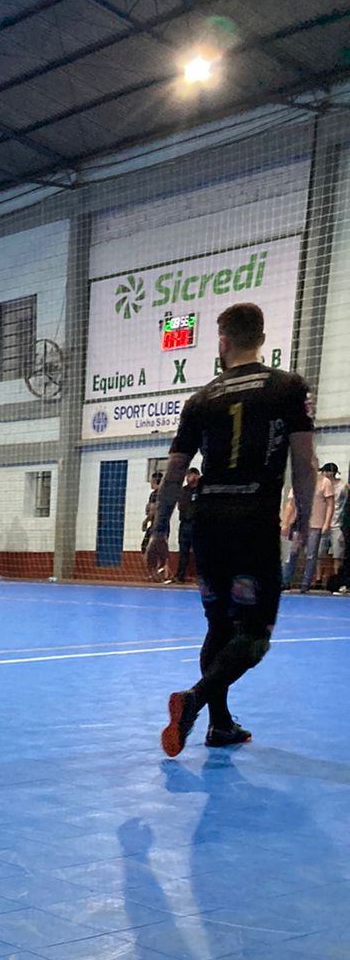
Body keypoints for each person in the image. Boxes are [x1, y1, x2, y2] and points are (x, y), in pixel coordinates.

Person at [147, 301, 318, 755]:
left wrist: (160, 530)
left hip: (208, 525)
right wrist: (303, 519)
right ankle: (195, 699)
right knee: (255, 636)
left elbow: (174, 469)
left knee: (218, 626)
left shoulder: (200, 399)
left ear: (222, 341)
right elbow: (304, 462)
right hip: (253, 523)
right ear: (261, 338)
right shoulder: (288, 388)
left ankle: (220, 724)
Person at [283, 463, 338, 593]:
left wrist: (326, 523)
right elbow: (291, 504)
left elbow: (330, 505)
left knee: (311, 555)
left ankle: (305, 584)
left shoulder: (325, 482)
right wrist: (285, 522)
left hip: (316, 523)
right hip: (299, 523)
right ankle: (285, 581)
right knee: (292, 553)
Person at [169, 468, 200, 583]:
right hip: (184, 524)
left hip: (197, 524)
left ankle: (201, 577)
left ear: (197, 476)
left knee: (199, 552)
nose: (188, 478)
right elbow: (180, 505)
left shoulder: (201, 490)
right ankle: (180, 576)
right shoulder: (183, 490)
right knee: (183, 551)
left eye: (190, 475)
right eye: (187, 476)